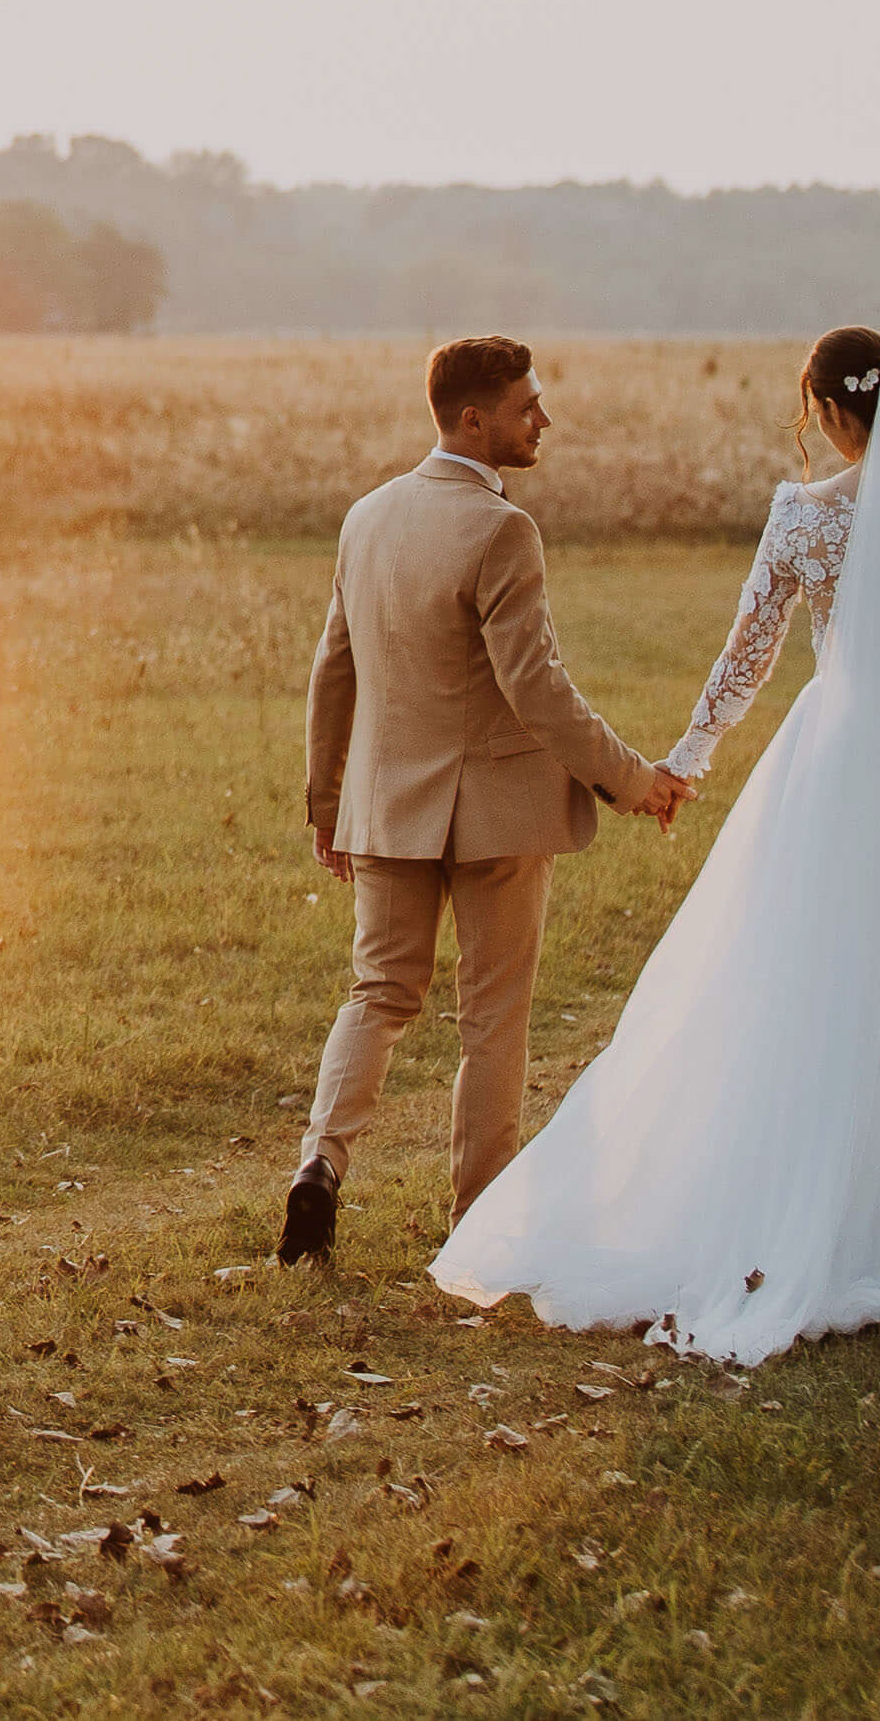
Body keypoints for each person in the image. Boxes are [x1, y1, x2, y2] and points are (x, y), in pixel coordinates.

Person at [426, 327, 880, 1362]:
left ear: (829, 413)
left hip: (833, 761)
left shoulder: (804, 517)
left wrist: (683, 760)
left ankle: (822, 1203)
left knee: (811, 982)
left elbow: (746, 657)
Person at [283, 336, 689, 1269]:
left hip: (386, 805)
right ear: (475, 419)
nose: (543, 419)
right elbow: (536, 687)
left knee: (379, 992)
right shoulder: (503, 529)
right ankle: (478, 1227)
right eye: (526, 406)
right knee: (493, 1017)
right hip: (496, 816)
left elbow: (332, 667)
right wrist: (634, 780)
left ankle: (320, 1162)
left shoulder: (367, 515)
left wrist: (326, 800)